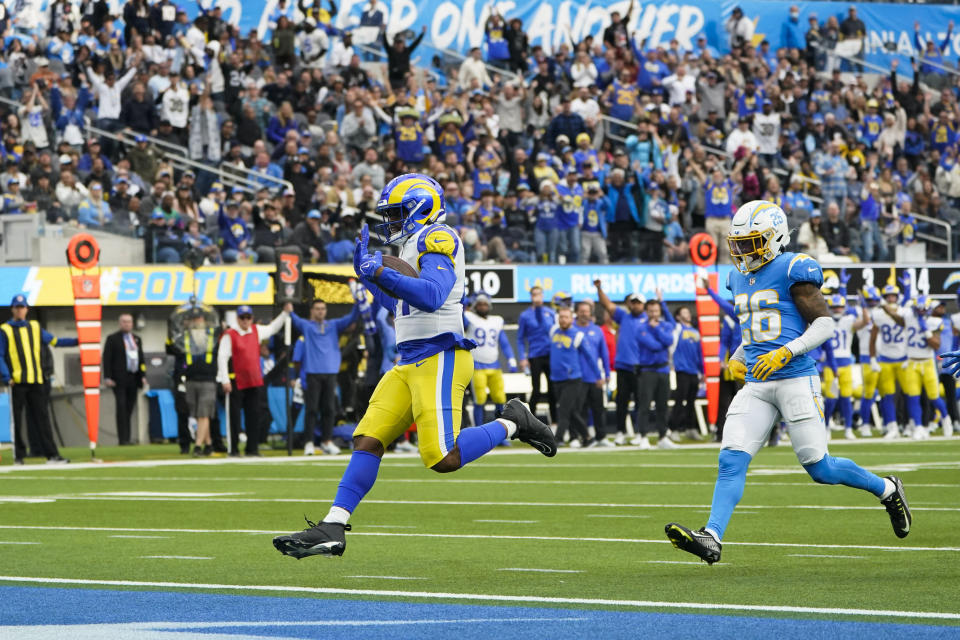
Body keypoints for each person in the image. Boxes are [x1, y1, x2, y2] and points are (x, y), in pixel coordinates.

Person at [273, 174, 557, 559]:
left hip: (440, 355)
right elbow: (401, 308)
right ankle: (334, 525)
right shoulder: (410, 245)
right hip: (408, 360)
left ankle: (514, 421)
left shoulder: (437, 237)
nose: (390, 222)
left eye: (397, 212)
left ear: (421, 207)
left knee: (443, 458)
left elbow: (432, 295)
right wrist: (370, 280)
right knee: (368, 439)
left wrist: (380, 273)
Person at [665, 200, 912, 565]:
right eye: (740, 242)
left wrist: (786, 352)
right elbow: (756, 330)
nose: (743, 250)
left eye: (752, 241)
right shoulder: (737, 277)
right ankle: (712, 536)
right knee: (731, 458)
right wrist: (739, 355)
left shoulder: (793, 267)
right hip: (757, 383)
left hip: (795, 378)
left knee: (820, 468)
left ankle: (887, 489)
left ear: (775, 237)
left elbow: (824, 324)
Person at [0, 294, 78, 464]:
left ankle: (51, 455)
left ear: (27, 309)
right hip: (17, 382)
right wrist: (7, 376)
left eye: (22, 307)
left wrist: (78, 341)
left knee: (42, 419)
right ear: (12, 309)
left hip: (36, 381)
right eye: (17, 307)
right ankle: (19, 456)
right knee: (17, 421)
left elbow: (55, 341)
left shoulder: (35, 327)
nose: (20, 310)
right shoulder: (5, 330)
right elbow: (0, 355)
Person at [288, 298, 361, 456]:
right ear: (312, 311)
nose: (320, 311)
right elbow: (294, 319)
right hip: (313, 373)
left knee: (329, 409)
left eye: (323, 308)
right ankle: (309, 443)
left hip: (330, 373)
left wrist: (357, 303)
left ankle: (326, 441)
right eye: (317, 309)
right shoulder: (307, 326)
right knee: (311, 410)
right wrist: (289, 310)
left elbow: (351, 318)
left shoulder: (333, 325)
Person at [217, 304, 289, 456]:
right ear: (237, 319)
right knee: (234, 417)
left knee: (253, 416)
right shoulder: (230, 334)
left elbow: (273, 328)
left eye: (248, 317)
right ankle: (233, 449)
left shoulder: (256, 330)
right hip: (236, 380)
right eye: (242, 318)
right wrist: (225, 380)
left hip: (254, 380)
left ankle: (252, 448)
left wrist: (284, 313)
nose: (245, 321)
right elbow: (222, 357)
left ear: (252, 319)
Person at [594, 282, 646, 445]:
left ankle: (639, 432)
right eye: (633, 302)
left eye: (638, 302)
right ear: (630, 304)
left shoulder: (649, 320)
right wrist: (599, 289)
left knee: (640, 402)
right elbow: (607, 305)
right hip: (623, 366)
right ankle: (620, 432)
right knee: (621, 402)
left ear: (643, 304)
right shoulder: (624, 316)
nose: (635, 305)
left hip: (640, 367)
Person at [900, 295, 951, 440]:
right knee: (913, 397)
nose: (921, 311)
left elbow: (936, 345)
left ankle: (946, 419)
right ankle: (918, 426)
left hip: (927, 362)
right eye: (919, 309)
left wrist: (926, 331)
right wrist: (906, 293)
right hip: (912, 361)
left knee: (934, 396)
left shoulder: (934, 322)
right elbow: (896, 316)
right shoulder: (909, 316)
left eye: (924, 309)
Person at [464, 293, 517, 431]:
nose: (483, 306)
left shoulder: (496, 320)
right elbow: (462, 320)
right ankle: (479, 432)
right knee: (479, 399)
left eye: (485, 304)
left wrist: (511, 359)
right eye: (480, 304)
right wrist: (462, 304)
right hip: (477, 366)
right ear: (475, 306)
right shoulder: (469, 317)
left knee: (500, 398)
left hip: (495, 365)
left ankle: (499, 431)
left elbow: (504, 343)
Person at [550, 305, 600, 447]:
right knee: (570, 411)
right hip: (556, 378)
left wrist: (598, 375)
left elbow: (590, 357)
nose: (563, 320)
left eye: (566, 317)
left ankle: (557, 439)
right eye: (561, 317)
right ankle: (587, 437)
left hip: (572, 379)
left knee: (564, 410)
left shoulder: (578, 335)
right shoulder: (553, 331)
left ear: (572, 319)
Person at [822, 290, 867, 441]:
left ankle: (848, 428)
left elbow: (864, 323)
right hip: (830, 364)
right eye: (834, 307)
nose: (837, 310)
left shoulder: (848, 320)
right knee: (831, 399)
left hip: (846, 363)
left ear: (844, 307)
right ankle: (826, 427)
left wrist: (864, 307)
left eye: (839, 307)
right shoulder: (824, 320)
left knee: (846, 398)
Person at [634, 294, 677, 449]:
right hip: (648, 371)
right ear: (646, 312)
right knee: (645, 405)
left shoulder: (663, 325)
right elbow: (654, 345)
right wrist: (660, 336)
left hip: (664, 369)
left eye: (656, 311)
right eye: (651, 311)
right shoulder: (640, 328)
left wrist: (657, 328)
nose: (654, 314)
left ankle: (662, 436)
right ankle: (643, 436)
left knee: (662, 406)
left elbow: (669, 340)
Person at [869, 279, 910, 439]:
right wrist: (873, 359)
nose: (891, 299)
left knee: (909, 394)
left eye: (894, 296)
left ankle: (909, 424)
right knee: (888, 395)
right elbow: (872, 339)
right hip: (886, 358)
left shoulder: (905, 311)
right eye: (888, 296)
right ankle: (892, 425)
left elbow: (900, 320)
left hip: (904, 357)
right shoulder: (878, 314)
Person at [101, 313, 145, 446]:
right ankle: (122, 439)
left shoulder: (137, 339)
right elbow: (107, 359)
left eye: (129, 322)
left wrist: (143, 375)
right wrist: (107, 377)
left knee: (129, 408)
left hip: (133, 378)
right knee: (121, 407)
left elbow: (141, 358)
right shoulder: (112, 339)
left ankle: (128, 437)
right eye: (124, 322)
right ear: (120, 323)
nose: (127, 324)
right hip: (119, 379)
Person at [517, 285, 558, 423]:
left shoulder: (550, 313)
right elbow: (520, 338)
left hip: (551, 355)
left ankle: (556, 423)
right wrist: (522, 357)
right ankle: (530, 422)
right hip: (535, 355)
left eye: (539, 294)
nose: (537, 297)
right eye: (534, 294)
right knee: (536, 390)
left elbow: (555, 333)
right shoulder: (525, 315)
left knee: (553, 390)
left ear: (543, 295)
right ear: (531, 297)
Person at [574, 300, 611, 447]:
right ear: (576, 312)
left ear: (591, 313)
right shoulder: (572, 330)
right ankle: (581, 437)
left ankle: (601, 437)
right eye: (581, 311)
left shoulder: (597, 330)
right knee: (579, 410)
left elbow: (604, 354)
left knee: (598, 409)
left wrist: (606, 373)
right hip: (577, 377)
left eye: (586, 311)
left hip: (595, 377)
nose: (584, 314)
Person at [669, 306, 703, 439]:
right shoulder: (677, 329)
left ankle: (691, 428)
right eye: (684, 312)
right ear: (678, 316)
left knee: (691, 401)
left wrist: (703, 371)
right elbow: (667, 316)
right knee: (679, 399)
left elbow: (699, 353)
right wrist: (661, 301)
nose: (687, 314)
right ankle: (673, 429)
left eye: (688, 312)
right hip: (682, 369)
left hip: (694, 371)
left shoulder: (696, 332)